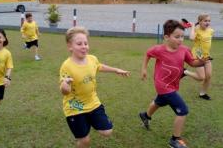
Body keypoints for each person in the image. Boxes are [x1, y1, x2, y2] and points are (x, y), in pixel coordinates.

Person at [139, 20, 206, 148]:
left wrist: (202, 61)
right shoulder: (159, 50)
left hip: (173, 85)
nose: (180, 39)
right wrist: (143, 69)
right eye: (177, 37)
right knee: (183, 111)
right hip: (163, 85)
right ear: (166, 37)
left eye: (182, 36)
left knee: (159, 102)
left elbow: (192, 63)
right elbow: (148, 53)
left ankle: (145, 115)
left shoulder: (185, 50)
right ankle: (175, 140)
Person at [59, 26, 130, 148]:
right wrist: (65, 85)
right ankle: (83, 128)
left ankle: (89, 121)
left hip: (93, 103)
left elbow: (99, 66)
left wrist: (116, 70)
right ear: (70, 46)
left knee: (107, 131)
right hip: (75, 107)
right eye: (79, 43)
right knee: (85, 141)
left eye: (86, 43)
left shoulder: (92, 59)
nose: (84, 46)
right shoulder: (67, 66)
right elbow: (64, 91)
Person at [183, 14, 214, 100]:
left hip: (206, 56)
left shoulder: (211, 31)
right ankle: (184, 72)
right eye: (205, 21)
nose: (207, 22)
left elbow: (206, 44)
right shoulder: (196, 29)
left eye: (209, 21)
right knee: (201, 77)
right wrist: (193, 26)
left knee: (208, 76)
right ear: (200, 22)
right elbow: (192, 38)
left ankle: (203, 94)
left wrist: (207, 53)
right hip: (198, 55)